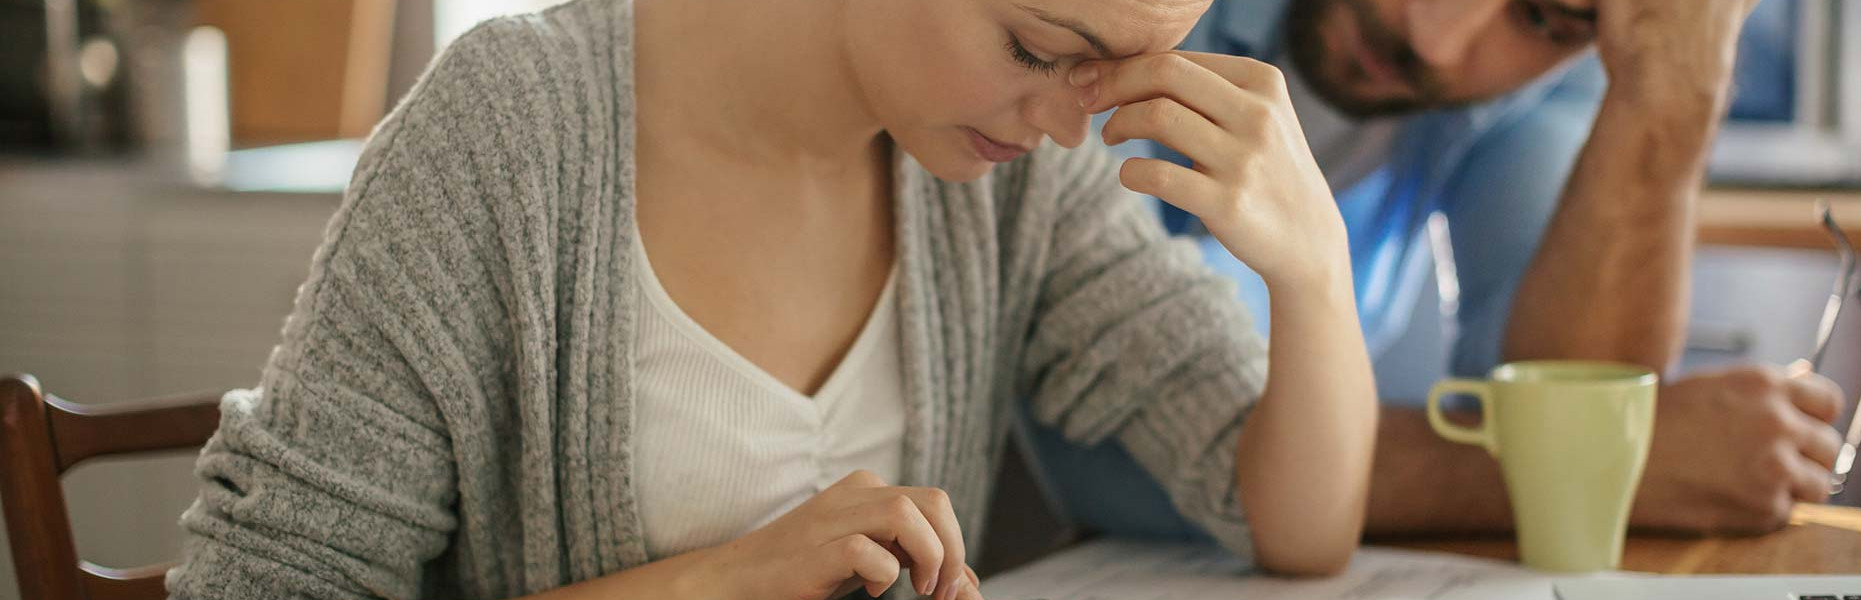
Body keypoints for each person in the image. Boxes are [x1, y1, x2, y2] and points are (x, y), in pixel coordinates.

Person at [164, 0, 1388, 597]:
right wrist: (711, 583)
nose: (1073, 122)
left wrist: (1312, 273)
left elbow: (1292, 524)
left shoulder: (1003, 180)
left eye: (1118, 72)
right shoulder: (509, 134)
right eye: (1033, 49)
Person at [1025, 0, 1848, 543]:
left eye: (1540, 14)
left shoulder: (1553, 74)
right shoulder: (1141, 8)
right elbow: (1111, 441)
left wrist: (1675, 92)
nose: (1436, 38)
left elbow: (1566, 397)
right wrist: (1578, 474)